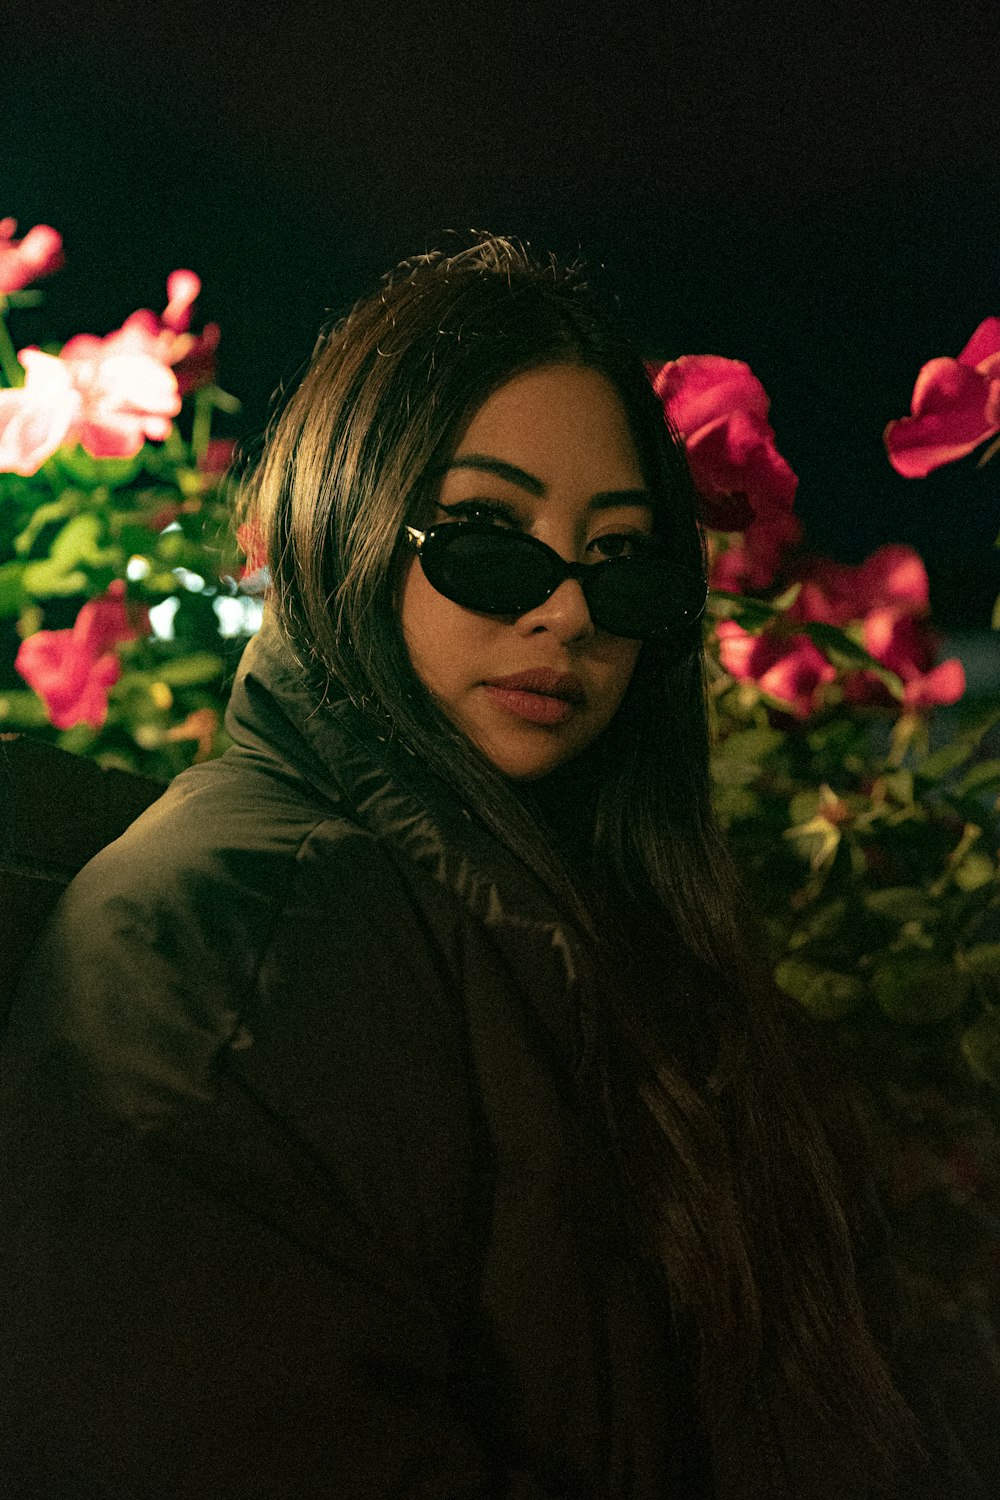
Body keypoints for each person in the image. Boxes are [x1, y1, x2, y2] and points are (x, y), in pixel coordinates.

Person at [0, 234, 986, 1499]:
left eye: (622, 557)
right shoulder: (233, 939)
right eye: (486, 536)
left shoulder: (595, 939)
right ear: (342, 523)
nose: (567, 609)